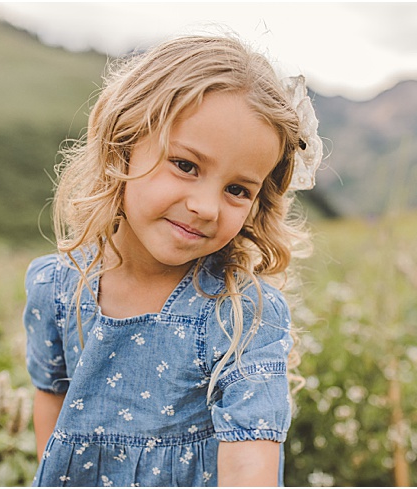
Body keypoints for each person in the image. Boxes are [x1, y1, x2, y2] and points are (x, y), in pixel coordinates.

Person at [23, 34, 322, 486]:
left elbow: (251, 463)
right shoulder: (58, 287)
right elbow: (52, 396)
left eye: (237, 190)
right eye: (186, 165)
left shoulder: (242, 316)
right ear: (123, 145)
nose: (207, 206)